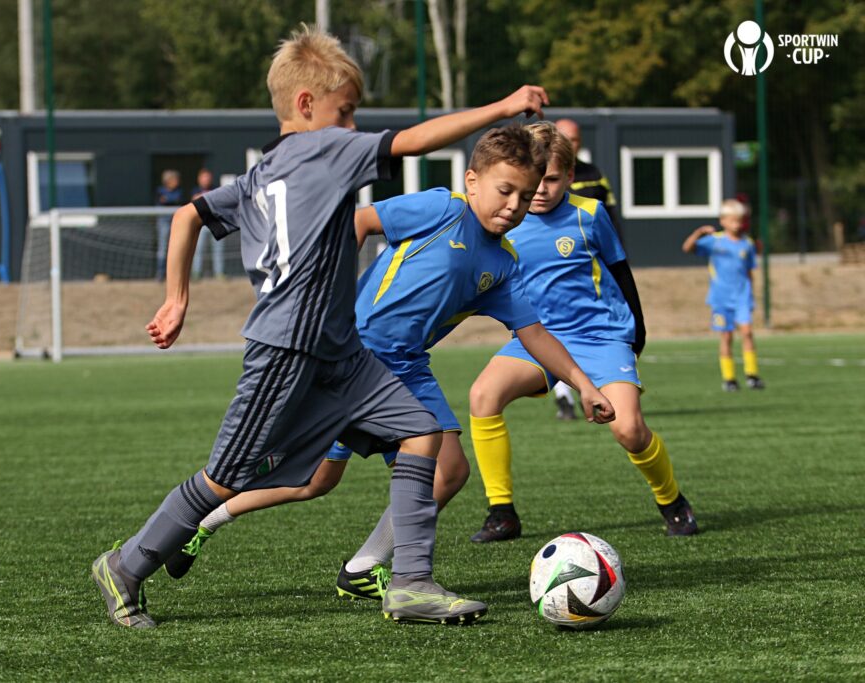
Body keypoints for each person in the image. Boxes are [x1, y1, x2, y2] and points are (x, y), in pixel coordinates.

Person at [91, 23, 552, 629]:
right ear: (306, 105)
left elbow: (188, 215)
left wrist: (177, 299)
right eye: (347, 112)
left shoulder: (262, 174)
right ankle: (124, 566)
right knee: (225, 478)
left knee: (420, 433)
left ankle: (410, 584)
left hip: (343, 353)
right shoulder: (324, 150)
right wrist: (504, 106)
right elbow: (413, 141)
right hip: (286, 351)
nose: (354, 127)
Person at [159, 124, 616, 603]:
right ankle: (200, 520)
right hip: (350, 355)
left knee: (439, 472)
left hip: (406, 366)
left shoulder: (503, 264)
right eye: (505, 191)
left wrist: (583, 385)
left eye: (524, 197)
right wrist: (328, 294)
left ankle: (361, 566)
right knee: (312, 477)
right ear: (472, 181)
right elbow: (359, 222)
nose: (514, 206)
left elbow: (534, 332)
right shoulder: (442, 209)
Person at [469, 122, 698, 543]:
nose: (540, 190)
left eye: (552, 179)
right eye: (534, 180)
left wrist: (636, 335)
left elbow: (621, 273)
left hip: (601, 337)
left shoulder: (589, 214)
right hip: (538, 338)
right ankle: (501, 512)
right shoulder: (505, 219)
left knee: (628, 430)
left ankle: (672, 501)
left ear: (571, 176)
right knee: (483, 396)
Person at [548, 118, 625, 421]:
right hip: (556, 264)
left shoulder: (594, 174)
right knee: (553, 331)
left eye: (575, 139)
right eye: (564, 138)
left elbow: (611, 215)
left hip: (590, 265)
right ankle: (564, 397)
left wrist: (617, 254)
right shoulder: (538, 174)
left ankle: (598, 386)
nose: (571, 144)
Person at [682, 199, 765, 391]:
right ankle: (729, 379)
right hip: (720, 298)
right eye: (733, 220)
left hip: (742, 296)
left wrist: (751, 293)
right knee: (726, 336)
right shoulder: (715, 241)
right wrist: (698, 233)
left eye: (740, 220)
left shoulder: (747, 244)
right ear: (723, 221)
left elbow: (749, 271)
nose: (737, 224)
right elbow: (687, 248)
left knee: (747, 332)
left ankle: (752, 375)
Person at [190, 168, 226, 279]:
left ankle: (219, 273)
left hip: (215, 223)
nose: (206, 180)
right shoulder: (195, 190)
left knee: (218, 251)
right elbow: (194, 201)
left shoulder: (216, 189)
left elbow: (219, 201)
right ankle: (196, 273)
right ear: (199, 179)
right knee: (198, 250)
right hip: (201, 225)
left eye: (207, 177)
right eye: (204, 177)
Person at [154, 170, 184, 281]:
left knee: (177, 249)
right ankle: (160, 274)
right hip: (163, 221)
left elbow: (178, 200)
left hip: (176, 221)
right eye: (175, 179)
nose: (177, 181)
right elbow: (161, 201)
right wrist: (169, 200)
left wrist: (168, 200)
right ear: (168, 181)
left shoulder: (179, 191)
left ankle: (175, 274)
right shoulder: (159, 191)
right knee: (162, 249)